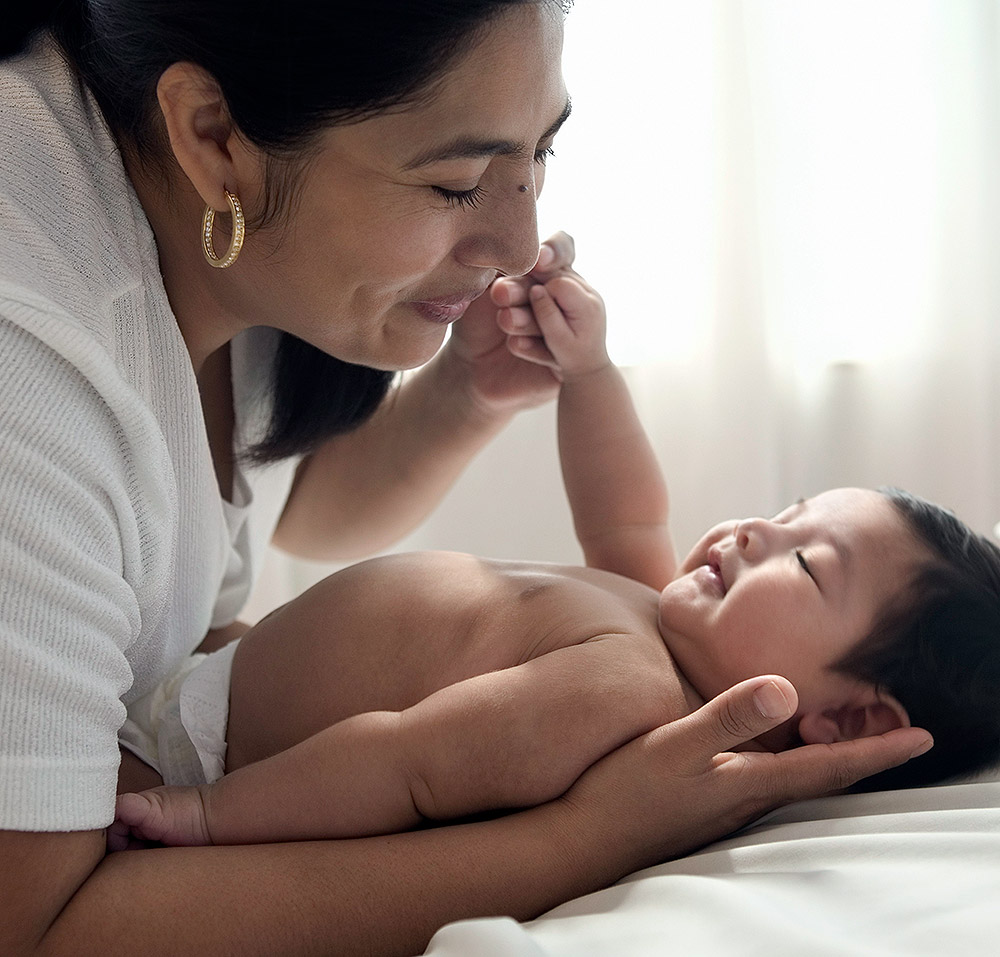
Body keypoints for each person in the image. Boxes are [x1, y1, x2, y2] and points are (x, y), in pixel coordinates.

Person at [0, 2, 933, 955]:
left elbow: (276, 522)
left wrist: (467, 397)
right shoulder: (26, 365)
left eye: (539, 159)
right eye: (456, 182)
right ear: (212, 136)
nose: (523, 244)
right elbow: (34, 927)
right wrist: (590, 837)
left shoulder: (239, 240)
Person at [111, 263, 998, 851]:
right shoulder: (662, 621)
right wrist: (591, 371)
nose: (755, 532)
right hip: (214, 676)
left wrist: (208, 812)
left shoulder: (632, 696)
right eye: (784, 513)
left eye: (806, 565)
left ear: (846, 722)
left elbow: (406, 766)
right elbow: (626, 514)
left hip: (208, 760)